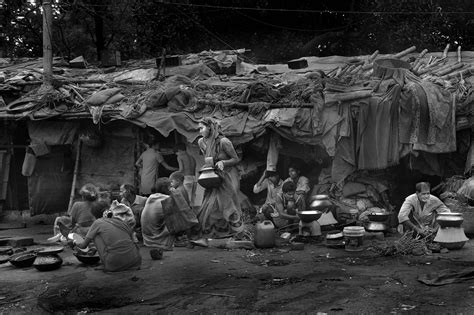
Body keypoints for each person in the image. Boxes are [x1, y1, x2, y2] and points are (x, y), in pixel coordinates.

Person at [197, 117, 243, 238]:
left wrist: (224, 163)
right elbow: (207, 158)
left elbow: (235, 159)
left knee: (226, 205)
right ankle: (215, 234)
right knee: (210, 206)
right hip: (211, 179)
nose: (200, 131)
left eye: (201, 128)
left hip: (224, 178)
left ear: (210, 128)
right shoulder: (201, 142)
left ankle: (232, 233)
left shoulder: (224, 142)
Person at [73, 201, 142, 272]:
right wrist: (95, 248)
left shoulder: (98, 223)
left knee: (95, 234)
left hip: (114, 264)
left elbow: (83, 246)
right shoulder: (120, 221)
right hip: (135, 261)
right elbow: (124, 240)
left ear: (93, 214)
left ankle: (105, 264)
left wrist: (74, 242)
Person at [141, 178, 175, 250]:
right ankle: (169, 244)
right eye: (171, 187)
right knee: (177, 217)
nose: (173, 188)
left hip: (147, 240)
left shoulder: (151, 197)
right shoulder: (167, 199)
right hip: (158, 241)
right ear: (167, 188)